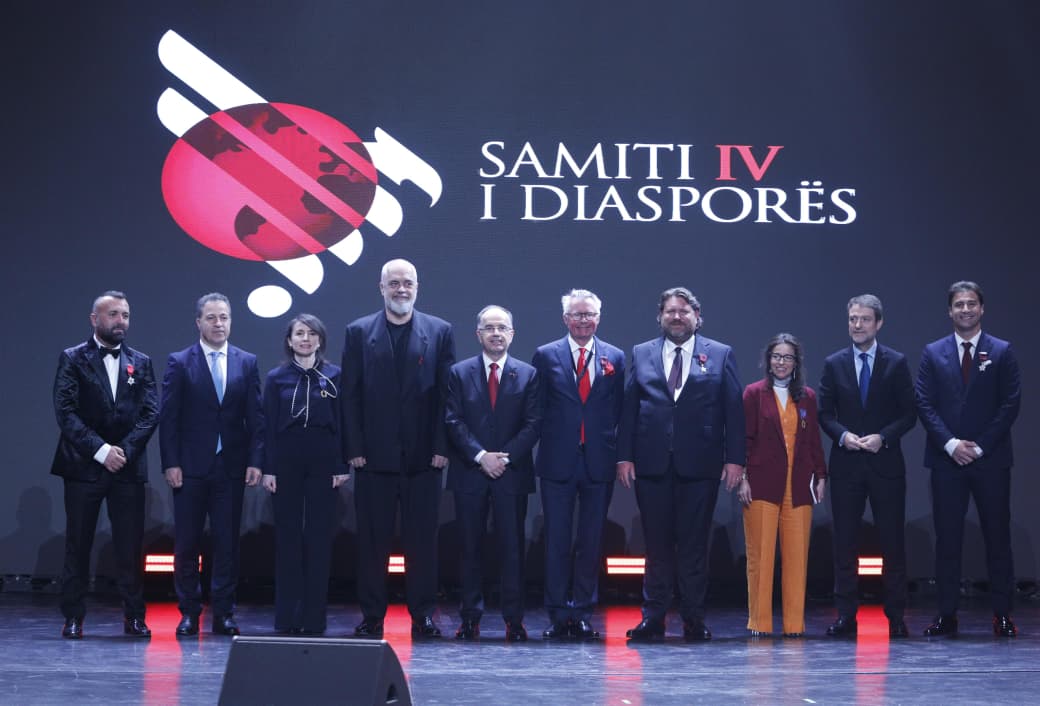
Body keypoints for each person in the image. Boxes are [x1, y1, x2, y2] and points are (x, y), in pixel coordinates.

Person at [616, 287, 745, 641]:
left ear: (697, 317)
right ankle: (653, 617)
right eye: (670, 311)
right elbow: (630, 408)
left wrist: (735, 460)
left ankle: (693, 618)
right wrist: (624, 455)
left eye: (684, 311)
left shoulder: (719, 354)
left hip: (700, 465)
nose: (677, 316)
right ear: (660, 316)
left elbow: (733, 410)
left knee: (694, 546)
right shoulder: (642, 352)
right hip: (652, 463)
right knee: (656, 546)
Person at [341, 259, 456, 638]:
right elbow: (350, 395)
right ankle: (372, 616)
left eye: (408, 282)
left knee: (422, 543)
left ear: (417, 287)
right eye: (394, 283)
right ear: (381, 288)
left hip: (424, 458)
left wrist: (442, 446)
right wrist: (354, 447)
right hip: (373, 457)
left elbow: (447, 396)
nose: (401, 289)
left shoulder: (440, 331)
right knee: (372, 543)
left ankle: (423, 615)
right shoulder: (358, 332)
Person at [915, 281, 1021, 637]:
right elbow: (924, 404)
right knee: (947, 539)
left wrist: (980, 446)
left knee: (998, 537)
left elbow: (1010, 404)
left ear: (982, 308)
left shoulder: (1002, 351)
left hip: (990, 460)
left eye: (971, 303)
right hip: (947, 461)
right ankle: (947, 615)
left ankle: (1002, 614)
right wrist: (950, 444)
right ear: (950, 311)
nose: (965, 309)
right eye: (959, 304)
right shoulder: (933, 353)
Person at [52, 291, 159, 639]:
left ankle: (134, 616)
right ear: (94, 319)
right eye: (113, 314)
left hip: (127, 467)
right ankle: (73, 617)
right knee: (78, 543)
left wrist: (122, 451)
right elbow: (65, 412)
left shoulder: (141, 362)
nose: (120, 321)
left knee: (130, 546)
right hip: (83, 466)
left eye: (125, 315)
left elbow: (151, 412)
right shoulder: (72, 358)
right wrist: (101, 450)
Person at [159, 293, 264, 637]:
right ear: (198, 322)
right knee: (187, 544)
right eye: (211, 318)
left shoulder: (246, 362)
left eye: (224, 317)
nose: (219, 324)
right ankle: (189, 612)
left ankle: (223, 613)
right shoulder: (180, 362)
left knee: (227, 543)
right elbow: (169, 417)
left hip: (230, 467)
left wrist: (255, 460)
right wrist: (171, 462)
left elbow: (256, 417)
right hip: (189, 467)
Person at [818, 295, 916, 638]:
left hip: (885, 464)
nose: (857, 325)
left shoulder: (896, 363)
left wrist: (883, 437)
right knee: (844, 544)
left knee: (892, 543)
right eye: (852, 319)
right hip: (846, 465)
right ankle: (846, 616)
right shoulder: (834, 363)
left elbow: (909, 413)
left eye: (864, 319)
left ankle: (896, 616)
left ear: (879, 323)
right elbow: (825, 413)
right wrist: (843, 435)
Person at [532, 289, 625, 640]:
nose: (582, 321)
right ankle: (558, 613)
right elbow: (537, 408)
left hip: (598, 462)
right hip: (558, 461)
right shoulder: (546, 355)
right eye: (576, 315)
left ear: (598, 318)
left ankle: (583, 611)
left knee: (591, 540)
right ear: (565, 319)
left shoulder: (615, 357)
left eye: (588, 315)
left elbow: (618, 409)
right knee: (556, 540)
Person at [445, 306, 541, 641]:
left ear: (512, 334)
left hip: (511, 475)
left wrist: (504, 458)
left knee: (512, 549)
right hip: (470, 473)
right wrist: (481, 456)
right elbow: (452, 420)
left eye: (502, 328)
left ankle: (514, 620)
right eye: (489, 328)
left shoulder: (528, 374)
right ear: (478, 334)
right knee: (469, 548)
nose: (496, 333)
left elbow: (534, 424)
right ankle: (470, 617)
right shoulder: (459, 373)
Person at [261, 314, 349, 635]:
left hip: (323, 461)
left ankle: (314, 619)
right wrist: (268, 468)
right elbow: (267, 426)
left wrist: (341, 465)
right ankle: (286, 618)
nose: (305, 339)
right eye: (299, 333)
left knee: (318, 539)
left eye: (312, 333)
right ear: (289, 340)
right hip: (286, 460)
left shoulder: (334, 376)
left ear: (320, 340)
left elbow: (343, 423)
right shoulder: (276, 378)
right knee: (288, 540)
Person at [738, 333, 827, 637]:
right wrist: (743, 478)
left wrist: (821, 475)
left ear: (796, 363)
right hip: (761, 483)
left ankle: (794, 625)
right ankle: (760, 622)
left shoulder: (807, 397)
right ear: (768, 360)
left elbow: (813, 441)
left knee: (797, 558)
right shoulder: (753, 394)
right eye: (776, 356)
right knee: (761, 557)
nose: (781, 362)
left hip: (799, 484)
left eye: (788, 357)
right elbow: (744, 439)